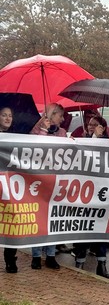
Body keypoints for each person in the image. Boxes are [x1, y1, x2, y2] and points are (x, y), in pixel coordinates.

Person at [73, 114, 109, 279]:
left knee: (101, 230)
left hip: (102, 194)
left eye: (95, 124)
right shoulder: (82, 140)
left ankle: (101, 264)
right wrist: (93, 137)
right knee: (83, 229)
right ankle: (80, 261)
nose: (91, 127)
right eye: (90, 124)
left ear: (103, 127)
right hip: (85, 194)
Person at [30, 103, 67, 270]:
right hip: (38, 181)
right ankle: (36, 255)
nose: (63, 118)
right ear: (52, 115)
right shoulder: (35, 131)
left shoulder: (62, 133)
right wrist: (43, 131)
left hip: (56, 182)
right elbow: (35, 150)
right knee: (39, 218)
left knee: (53, 219)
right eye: (60, 115)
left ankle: (51, 255)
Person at [0, 106, 18, 273]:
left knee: (11, 222)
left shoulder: (18, 135)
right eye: (4, 115)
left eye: (10, 115)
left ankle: (10, 260)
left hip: (10, 186)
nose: (7, 118)